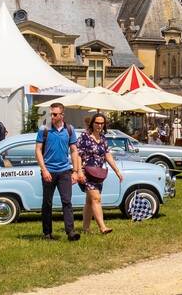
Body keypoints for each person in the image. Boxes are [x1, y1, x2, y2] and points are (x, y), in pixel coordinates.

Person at [35, 102, 83, 242]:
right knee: (47, 203)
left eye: (55, 114)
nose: (53, 116)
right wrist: (44, 170)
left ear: (62, 114)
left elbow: (74, 151)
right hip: (48, 171)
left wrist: (75, 171)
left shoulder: (69, 129)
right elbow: (38, 150)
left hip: (64, 172)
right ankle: (47, 233)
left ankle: (71, 232)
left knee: (67, 202)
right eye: (51, 114)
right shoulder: (44, 129)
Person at [77, 112, 123, 235]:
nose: (99, 125)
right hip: (86, 172)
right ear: (92, 123)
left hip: (97, 174)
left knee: (89, 201)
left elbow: (107, 155)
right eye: (97, 123)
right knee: (96, 199)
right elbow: (77, 155)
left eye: (102, 123)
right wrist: (79, 171)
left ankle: (85, 228)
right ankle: (102, 227)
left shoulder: (102, 138)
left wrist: (117, 171)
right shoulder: (84, 137)